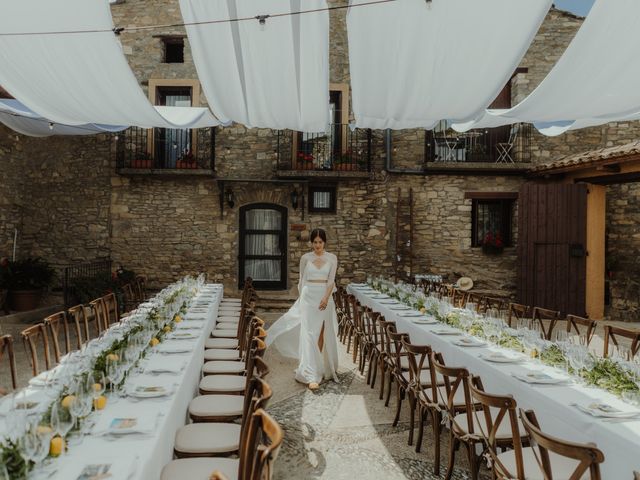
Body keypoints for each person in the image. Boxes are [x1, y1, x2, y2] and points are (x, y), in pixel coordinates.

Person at [266, 228, 339, 390]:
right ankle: (310, 373)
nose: (317, 245)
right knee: (308, 333)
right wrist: (302, 300)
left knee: (321, 333)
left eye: (320, 242)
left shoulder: (332, 258)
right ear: (311, 243)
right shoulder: (305, 258)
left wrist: (326, 299)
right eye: (315, 242)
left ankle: (319, 365)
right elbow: (301, 281)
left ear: (324, 242)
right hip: (308, 297)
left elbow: (331, 281)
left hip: (324, 298)